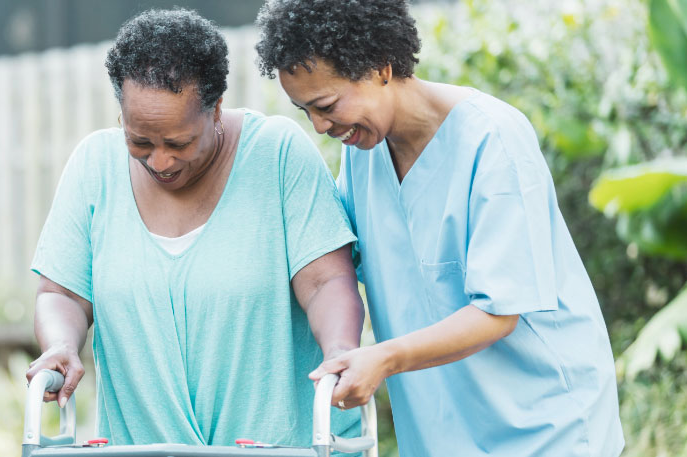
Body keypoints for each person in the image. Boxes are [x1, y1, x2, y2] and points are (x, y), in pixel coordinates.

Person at [254, 0, 625, 455]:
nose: (318, 126)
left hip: (543, 424)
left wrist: (383, 358)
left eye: (326, 105)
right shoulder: (362, 154)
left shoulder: (493, 140)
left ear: (380, 66)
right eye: (303, 110)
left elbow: (498, 312)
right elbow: (329, 265)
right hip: (440, 428)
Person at [25, 8, 365, 447]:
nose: (160, 162)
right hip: (145, 447)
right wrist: (61, 344)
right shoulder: (94, 167)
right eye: (140, 142)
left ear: (216, 109)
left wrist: (339, 351)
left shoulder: (278, 155)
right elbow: (62, 293)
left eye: (179, 143)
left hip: (278, 447)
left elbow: (325, 282)